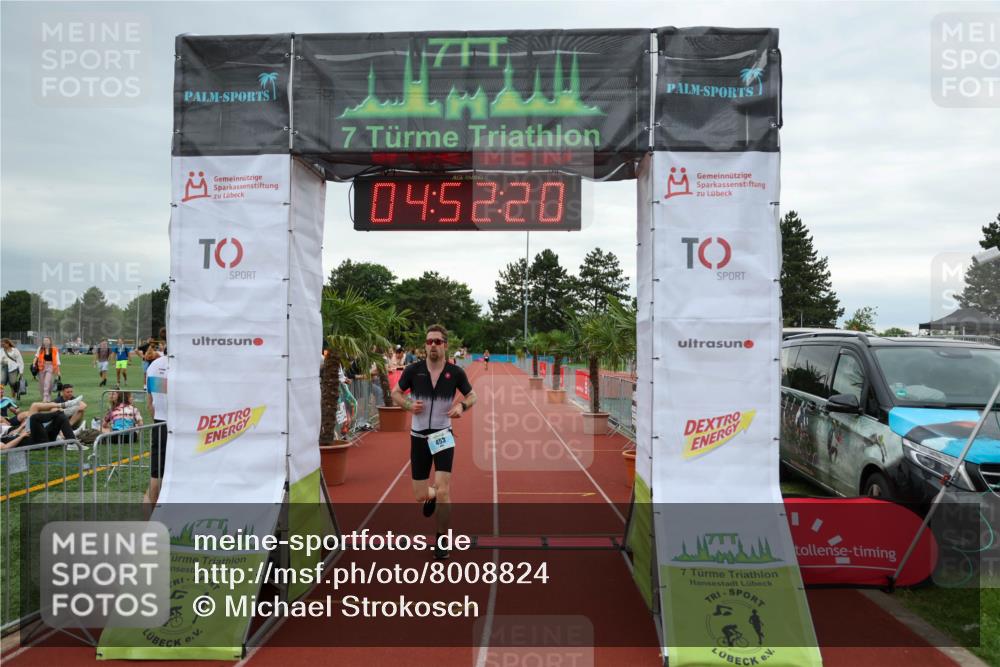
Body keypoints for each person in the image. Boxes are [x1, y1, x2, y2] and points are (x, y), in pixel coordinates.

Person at [391, 325, 476, 560]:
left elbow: (473, 396)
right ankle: (430, 497)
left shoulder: (455, 373)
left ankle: (442, 539)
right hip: (418, 438)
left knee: (444, 489)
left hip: (442, 436)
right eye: (429, 342)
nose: (433, 346)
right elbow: (395, 393)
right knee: (420, 494)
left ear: (445, 345)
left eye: (438, 342)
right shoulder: (413, 370)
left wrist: (461, 406)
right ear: (425, 346)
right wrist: (408, 405)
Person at [145, 347, 169, 510]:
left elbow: (150, 403)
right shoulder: (185, 366)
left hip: (160, 423)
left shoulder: (154, 365)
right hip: (178, 425)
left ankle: (147, 522)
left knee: (156, 477)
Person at [33, 337, 60, 401]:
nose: (45, 341)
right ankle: (44, 396)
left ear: (50, 341)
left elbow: (57, 360)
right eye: (44, 340)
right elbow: (36, 357)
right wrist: (34, 364)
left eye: (47, 340)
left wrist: (58, 371)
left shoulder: (54, 349)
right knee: (42, 383)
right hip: (41, 367)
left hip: (50, 366)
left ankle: (46, 396)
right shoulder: (40, 348)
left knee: (47, 382)